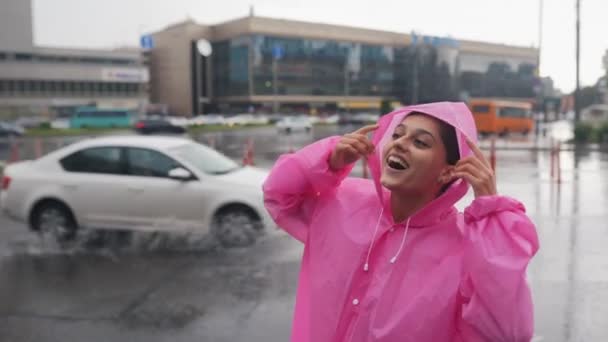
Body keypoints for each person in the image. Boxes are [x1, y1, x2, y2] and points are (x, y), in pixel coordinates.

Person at [263, 102, 539, 342]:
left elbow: (507, 332)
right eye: (397, 135)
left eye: (420, 142)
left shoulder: (464, 249)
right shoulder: (343, 203)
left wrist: (490, 212)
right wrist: (329, 161)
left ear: (448, 171)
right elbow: (279, 195)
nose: (399, 144)